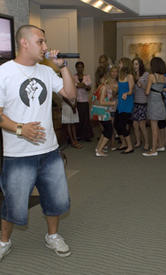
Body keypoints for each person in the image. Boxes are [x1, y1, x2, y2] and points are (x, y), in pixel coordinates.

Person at [0, 25, 76, 260]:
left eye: (45, 42)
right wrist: (21, 129)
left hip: (49, 151)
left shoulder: (46, 71)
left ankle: (52, 236)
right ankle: (4, 241)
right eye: (40, 42)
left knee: (55, 199)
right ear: (24, 43)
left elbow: (71, 96)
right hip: (18, 154)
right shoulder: (4, 73)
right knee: (13, 203)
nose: (46, 46)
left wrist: (63, 68)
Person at [142, 57, 166, 157]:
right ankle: (160, 145)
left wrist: (143, 87)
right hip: (160, 101)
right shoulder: (165, 77)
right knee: (158, 125)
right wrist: (161, 90)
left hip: (152, 102)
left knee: (154, 127)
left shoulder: (151, 76)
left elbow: (147, 92)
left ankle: (153, 150)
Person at [91, 66, 116, 157]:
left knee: (105, 130)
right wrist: (112, 103)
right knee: (109, 131)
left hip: (98, 112)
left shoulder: (99, 86)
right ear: (104, 76)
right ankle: (100, 150)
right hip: (103, 112)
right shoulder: (104, 87)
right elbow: (102, 102)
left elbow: (95, 100)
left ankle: (98, 148)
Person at [115, 57, 135, 154]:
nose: (119, 65)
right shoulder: (119, 76)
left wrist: (126, 93)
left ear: (125, 64)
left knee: (122, 125)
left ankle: (130, 146)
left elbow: (131, 90)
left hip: (127, 103)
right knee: (116, 124)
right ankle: (123, 143)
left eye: (120, 63)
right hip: (120, 103)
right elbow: (118, 89)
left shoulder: (130, 76)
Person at [132, 57, 149, 150]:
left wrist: (140, 83)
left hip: (143, 101)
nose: (135, 66)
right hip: (135, 102)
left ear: (140, 65)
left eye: (136, 64)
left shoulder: (146, 74)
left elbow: (147, 88)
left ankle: (146, 142)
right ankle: (138, 141)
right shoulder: (132, 75)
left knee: (142, 124)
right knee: (135, 124)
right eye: (133, 64)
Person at [74, 61, 93, 141]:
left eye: (81, 67)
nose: (80, 68)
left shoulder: (87, 76)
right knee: (78, 119)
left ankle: (87, 136)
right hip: (76, 101)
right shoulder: (73, 77)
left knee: (85, 119)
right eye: (78, 67)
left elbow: (89, 88)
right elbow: (74, 86)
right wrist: (83, 85)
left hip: (85, 101)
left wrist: (81, 85)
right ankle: (79, 136)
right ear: (76, 68)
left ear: (83, 68)